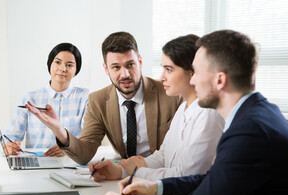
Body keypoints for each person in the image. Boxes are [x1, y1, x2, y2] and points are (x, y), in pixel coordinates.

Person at [92, 30, 288, 195]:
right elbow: (215, 179)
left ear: (219, 80)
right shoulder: (253, 116)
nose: (191, 80)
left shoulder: (251, 131)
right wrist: (158, 187)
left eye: (196, 72)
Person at [26, 32, 181, 164]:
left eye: (130, 65)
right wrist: (59, 130)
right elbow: (84, 153)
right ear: (106, 69)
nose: (125, 74)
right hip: (124, 175)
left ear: (140, 62)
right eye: (116, 67)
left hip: (164, 173)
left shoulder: (171, 93)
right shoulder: (98, 101)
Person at [88, 34, 224, 181]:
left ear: (193, 71)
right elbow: (163, 156)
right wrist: (121, 171)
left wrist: (136, 172)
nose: (162, 77)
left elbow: (187, 176)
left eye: (169, 69)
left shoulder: (209, 113)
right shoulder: (184, 107)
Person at [3, 43, 89, 157]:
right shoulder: (30, 98)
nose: (62, 69)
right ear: (50, 64)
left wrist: (69, 146)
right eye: (58, 62)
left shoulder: (85, 97)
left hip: (71, 162)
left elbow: (88, 139)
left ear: (76, 70)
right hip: (38, 163)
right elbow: (9, 136)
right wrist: (6, 146)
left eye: (69, 65)